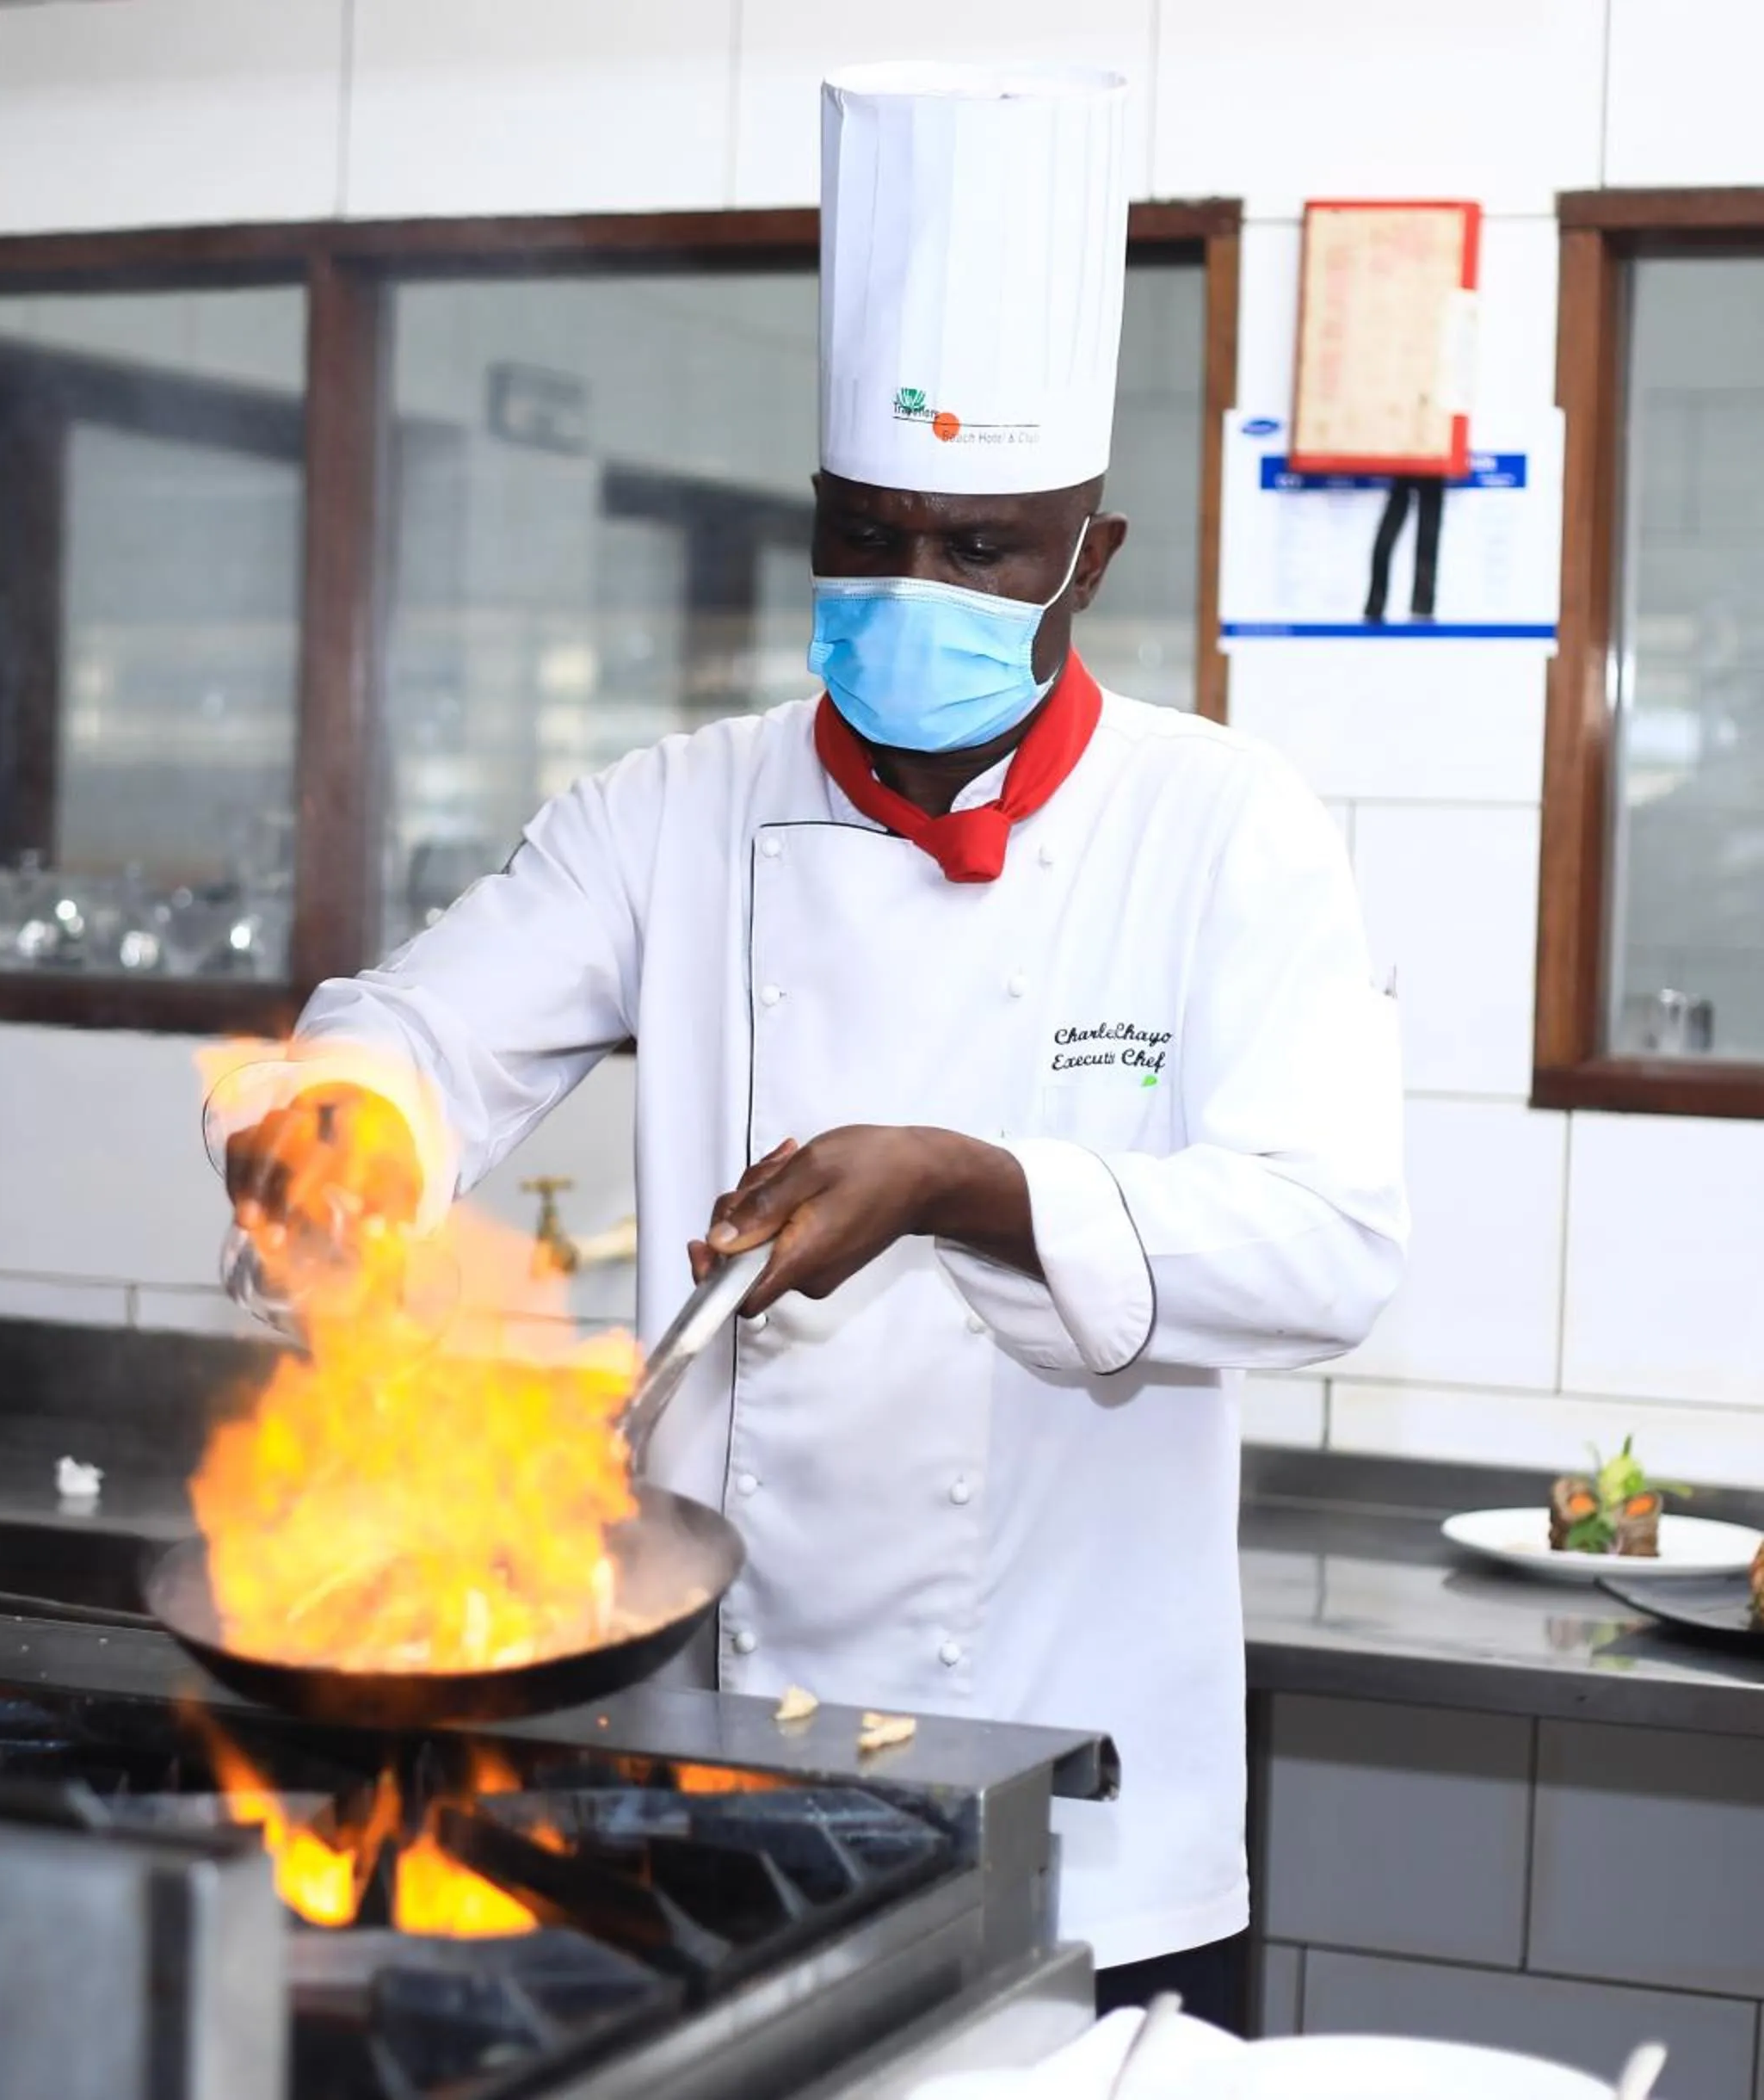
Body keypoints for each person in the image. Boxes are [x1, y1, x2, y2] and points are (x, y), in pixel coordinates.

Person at [218, 61, 1407, 2028]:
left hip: (1091, 1823)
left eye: (982, 548)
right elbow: (421, 1029)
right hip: (715, 1793)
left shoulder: (1226, 827)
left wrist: (973, 1184)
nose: (914, 590)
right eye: (870, 535)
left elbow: (1334, 1244)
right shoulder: (671, 810)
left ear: (1088, 557)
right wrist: (343, 1124)